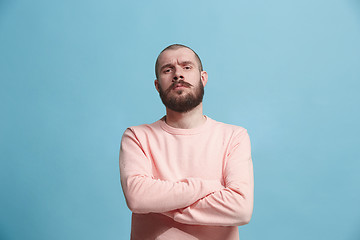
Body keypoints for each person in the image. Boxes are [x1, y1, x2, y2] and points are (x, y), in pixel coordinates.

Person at [119, 44, 254, 240]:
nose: (177, 74)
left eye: (187, 67)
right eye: (168, 69)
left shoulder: (234, 136)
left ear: (203, 78)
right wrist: (209, 187)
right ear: (157, 85)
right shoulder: (137, 137)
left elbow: (241, 209)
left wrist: (160, 204)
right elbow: (137, 198)